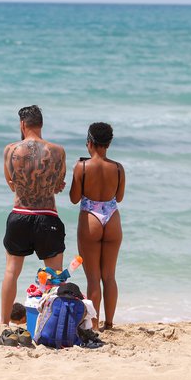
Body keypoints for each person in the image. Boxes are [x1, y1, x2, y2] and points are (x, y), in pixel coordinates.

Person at [1, 105, 66, 324]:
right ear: (41, 124)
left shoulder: (10, 150)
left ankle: (3, 323)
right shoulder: (57, 151)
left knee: (12, 271)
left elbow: (12, 185)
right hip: (47, 216)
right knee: (54, 275)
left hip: (20, 214)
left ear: (22, 124)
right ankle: (53, 322)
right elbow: (58, 186)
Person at [69, 122, 125, 330]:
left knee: (93, 278)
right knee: (109, 276)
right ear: (108, 143)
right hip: (112, 217)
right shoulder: (118, 168)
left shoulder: (82, 167)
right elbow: (119, 197)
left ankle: (93, 325)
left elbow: (75, 199)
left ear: (90, 143)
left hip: (90, 217)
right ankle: (109, 323)